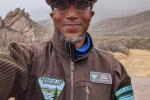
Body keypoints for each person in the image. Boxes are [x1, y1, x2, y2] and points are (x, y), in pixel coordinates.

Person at [0, 0, 134, 100]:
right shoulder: (29, 58)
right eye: (62, 4)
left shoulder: (114, 69)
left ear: (91, 15)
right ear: (53, 15)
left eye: (82, 4)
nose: (71, 15)